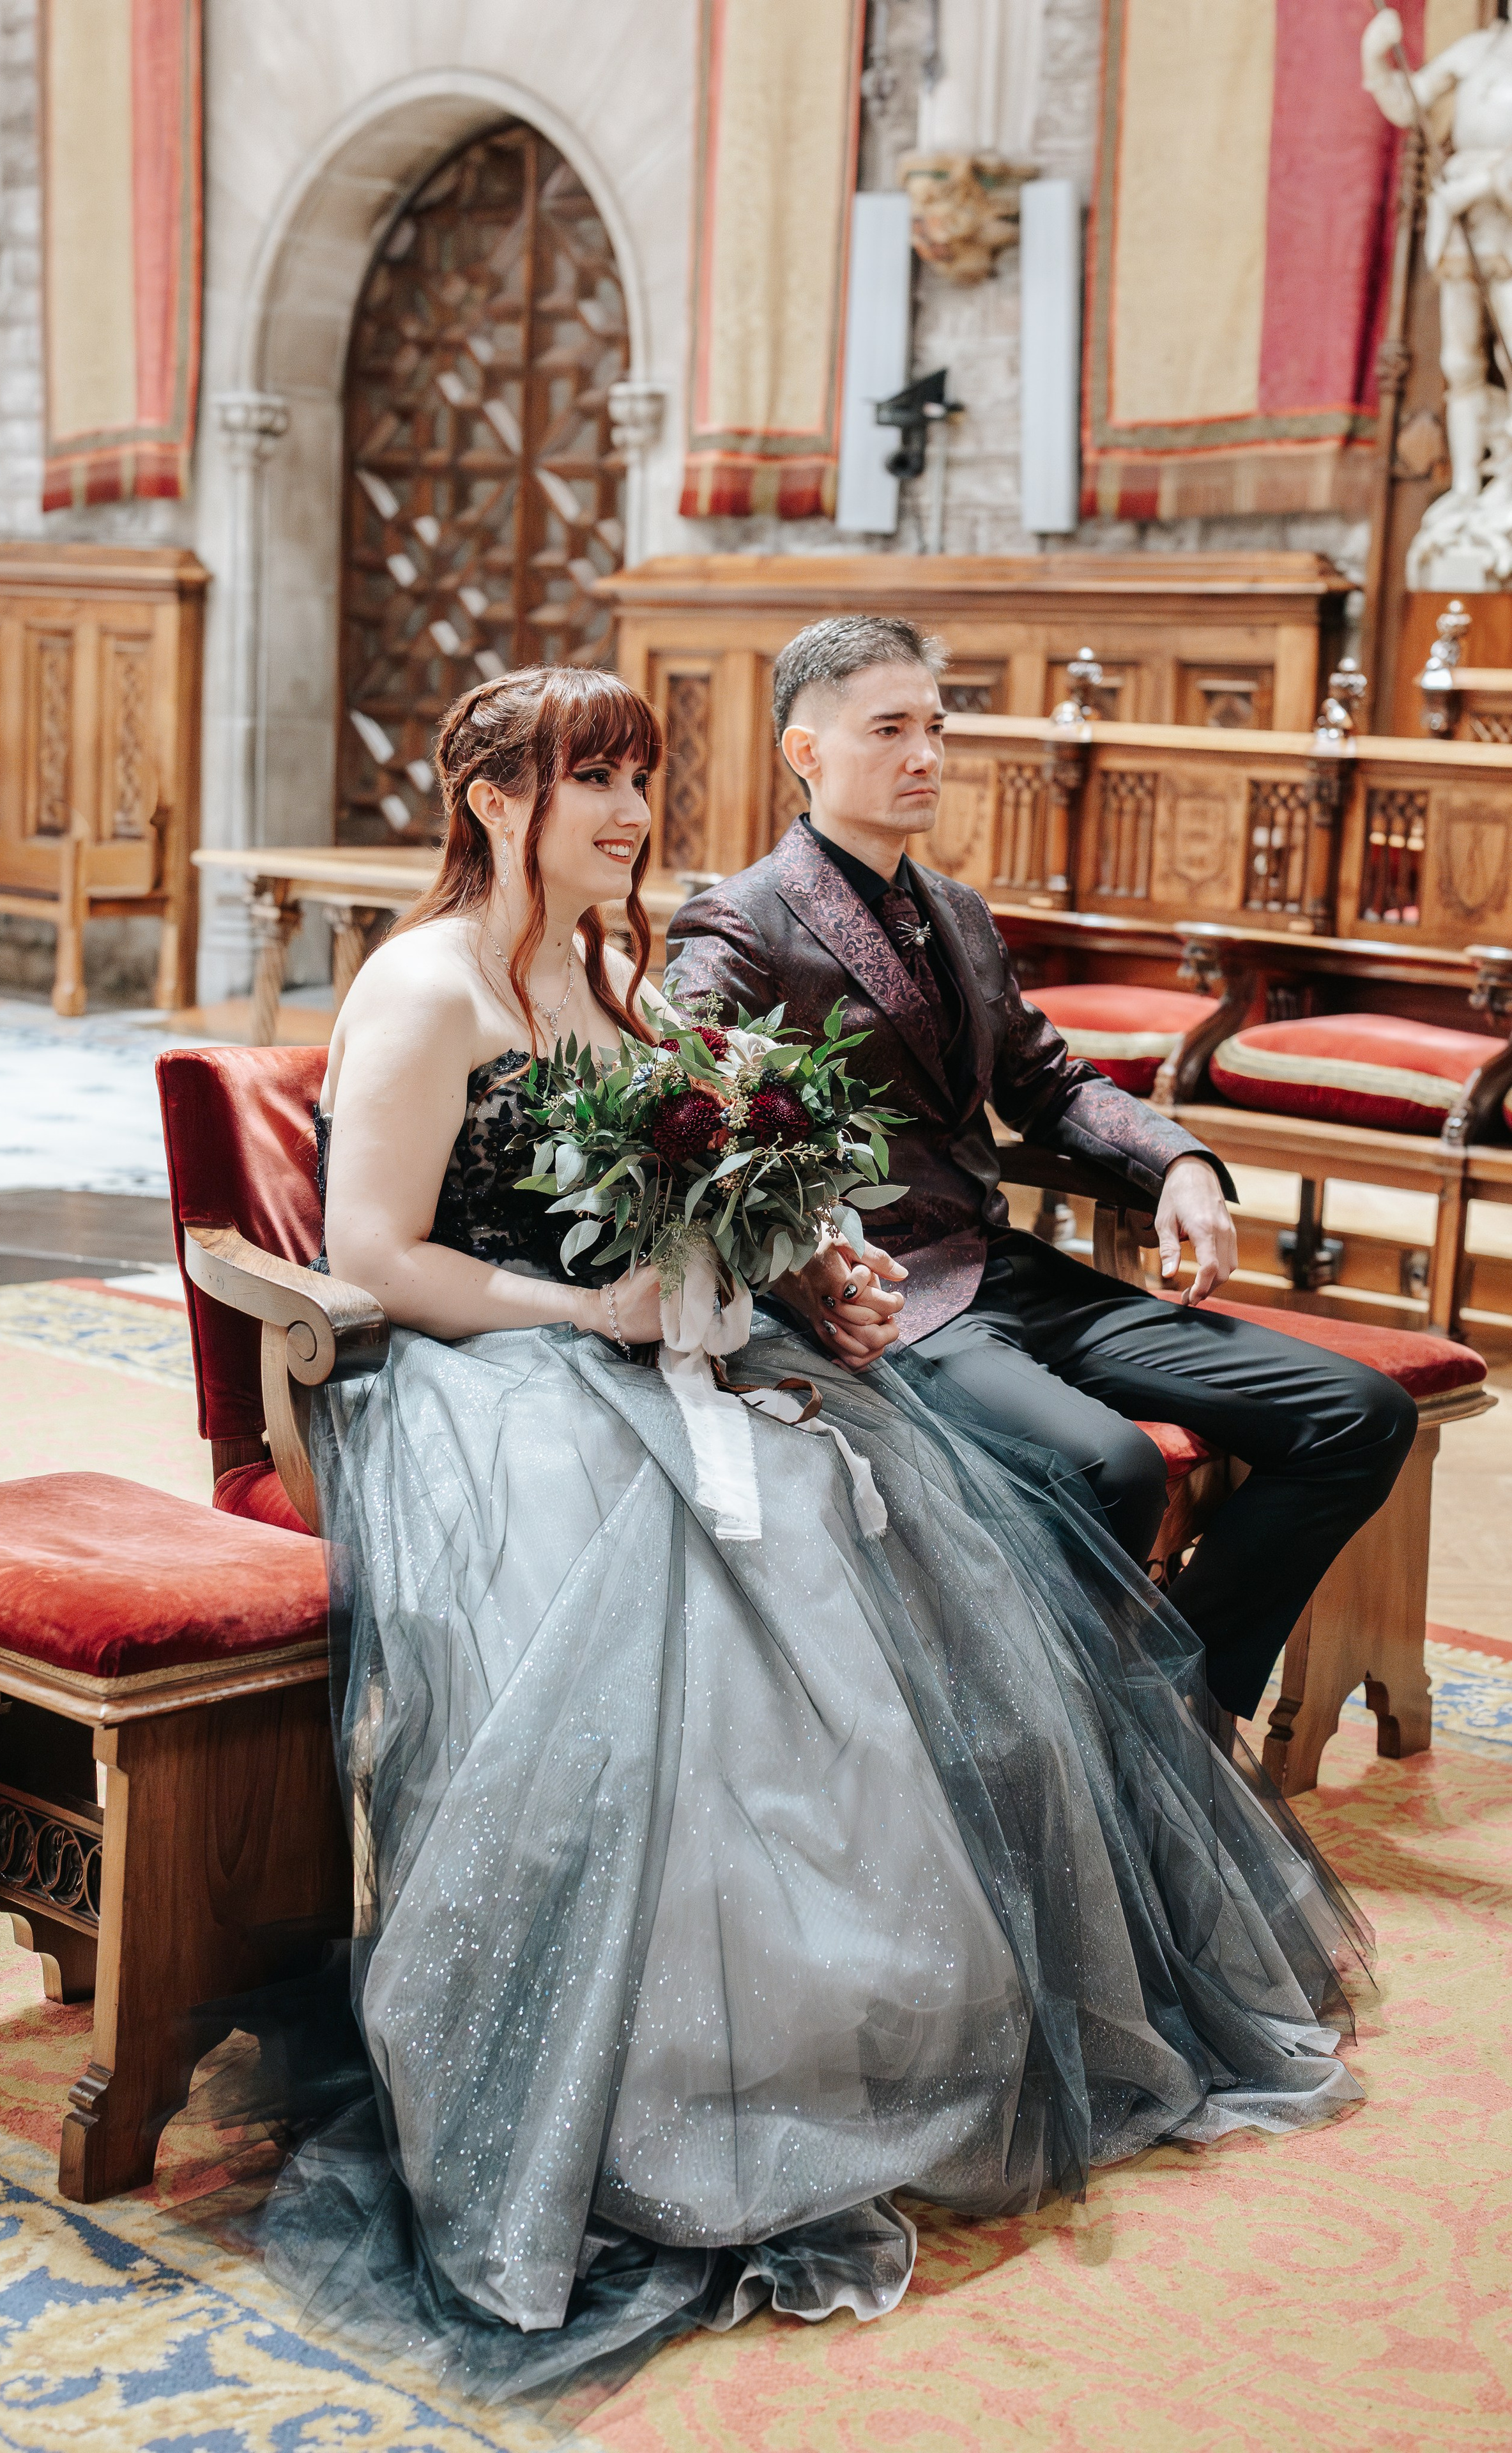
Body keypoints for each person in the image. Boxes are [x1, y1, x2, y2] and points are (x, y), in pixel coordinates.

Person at [275, 662, 1369, 2406]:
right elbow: (379, 1257)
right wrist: (602, 1318)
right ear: (492, 801)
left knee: (878, 1518)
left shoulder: (617, 968)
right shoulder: (422, 987)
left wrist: (806, 1259)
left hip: (652, 1335)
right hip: (481, 1379)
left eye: (642, 779)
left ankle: (864, 2017)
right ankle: (663, 2071)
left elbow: (710, 1178)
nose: (636, 816)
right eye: (596, 784)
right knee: (680, 1587)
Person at [665, 615, 1417, 1732]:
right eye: (890, 730)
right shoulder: (745, 918)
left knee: (1357, 1412)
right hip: (883, 1297)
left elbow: (1051, 1084)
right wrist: (803, 1250)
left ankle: (1172, 1706)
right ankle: (1061, 1743)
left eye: (935, 726)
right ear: (805, 750)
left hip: (1007, 1269)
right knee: (1111, 1467)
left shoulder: (958, 914)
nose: (926, 755)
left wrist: (1181, 1159)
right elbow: (691, 1112)